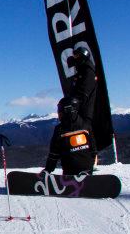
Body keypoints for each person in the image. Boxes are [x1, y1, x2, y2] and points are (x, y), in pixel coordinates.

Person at [42, 47, 98, 175]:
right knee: (82, 137)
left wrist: (72, 105)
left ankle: (78, 168)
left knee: (68, 137)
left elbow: (83, 94)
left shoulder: (87, 72)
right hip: (79, 112)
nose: (74, 60)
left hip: (81, 111)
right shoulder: (83, 71)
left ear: (82, 57)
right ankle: (83, 167)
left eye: (77, 57)